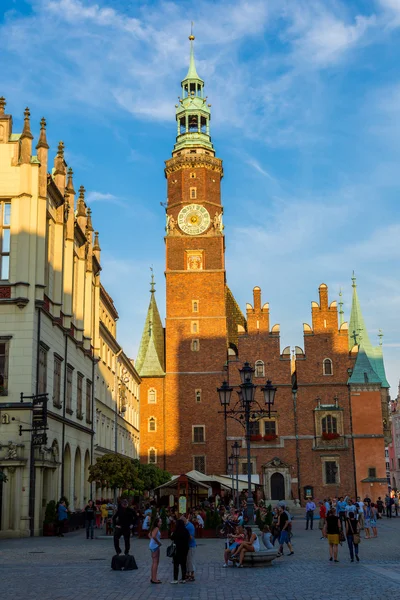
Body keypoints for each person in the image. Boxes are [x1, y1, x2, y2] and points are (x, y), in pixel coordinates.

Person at [170, 517, 190, 584]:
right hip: (184, 549)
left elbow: (171, 538)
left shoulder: (176, 531)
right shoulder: (186, 531)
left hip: (177, 550)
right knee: (183, 564)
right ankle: (183, 578)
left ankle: (175, 579)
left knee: (176, 564)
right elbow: (188, 538)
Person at [149, 516, 162, 584]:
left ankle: (153, 577)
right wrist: (158, 542)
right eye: (160, 522)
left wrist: (152, 540)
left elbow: (149, 535)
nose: (161, 523)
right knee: (155, 562)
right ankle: (154, 579)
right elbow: (153, 536)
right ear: (157, 523)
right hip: (155, 546)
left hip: (152, 545)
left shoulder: (153, 528)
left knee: (154, 562)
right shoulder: (156, 528)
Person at [184, 515, 197, 581]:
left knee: (191, 560)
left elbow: (191, 537)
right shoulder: (185, 526)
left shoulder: (190, 526)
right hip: (187, 546)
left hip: (191, 546)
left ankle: (192, 574)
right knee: (187, 560)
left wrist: (185, 534)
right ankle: (187, 573)